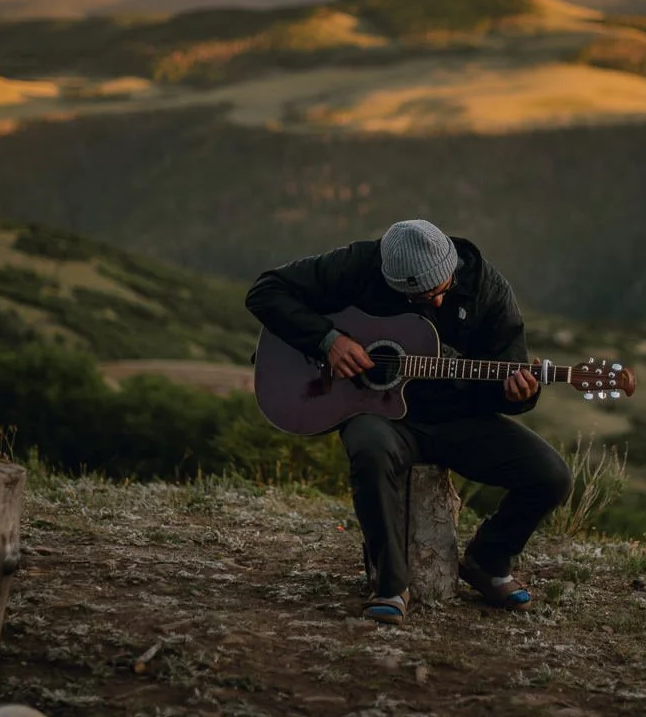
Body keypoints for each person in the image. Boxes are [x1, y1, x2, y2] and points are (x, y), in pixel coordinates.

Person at [245, 219, 619, 625]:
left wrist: (520, 394)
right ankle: (390, 585)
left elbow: (505, 376)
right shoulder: (358, 264)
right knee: (369, 450)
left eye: (442, 289)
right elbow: (265, 292)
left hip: (457, 419)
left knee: (550, 475)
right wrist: (328, 340)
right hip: (381, 417)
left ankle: (487, 561)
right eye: (422, 296)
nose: (437, 302)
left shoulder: (487, 288)